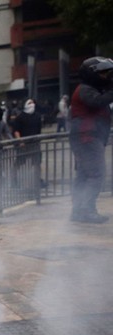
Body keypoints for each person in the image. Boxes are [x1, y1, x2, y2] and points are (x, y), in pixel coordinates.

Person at [69, 57, 113, 223]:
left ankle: (79, 211)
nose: (106, 77)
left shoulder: (90, 88)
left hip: (87, 137)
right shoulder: (85, 89)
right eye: (103, 74)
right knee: (96, 174)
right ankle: (87, 211)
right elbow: (97, 102)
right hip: (86, 137)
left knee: (84, 175)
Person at [11, 98, 44, 189]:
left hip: (34, 144)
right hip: (24, 145)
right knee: (19, 163)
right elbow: (16, 131)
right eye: (30, 103)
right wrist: (20, 141)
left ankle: (38, 180)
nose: (32, 104)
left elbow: (38, 130)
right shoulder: (20, 117)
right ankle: (13, 180)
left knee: (37, 163)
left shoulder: (37, 116)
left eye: (33, 103)